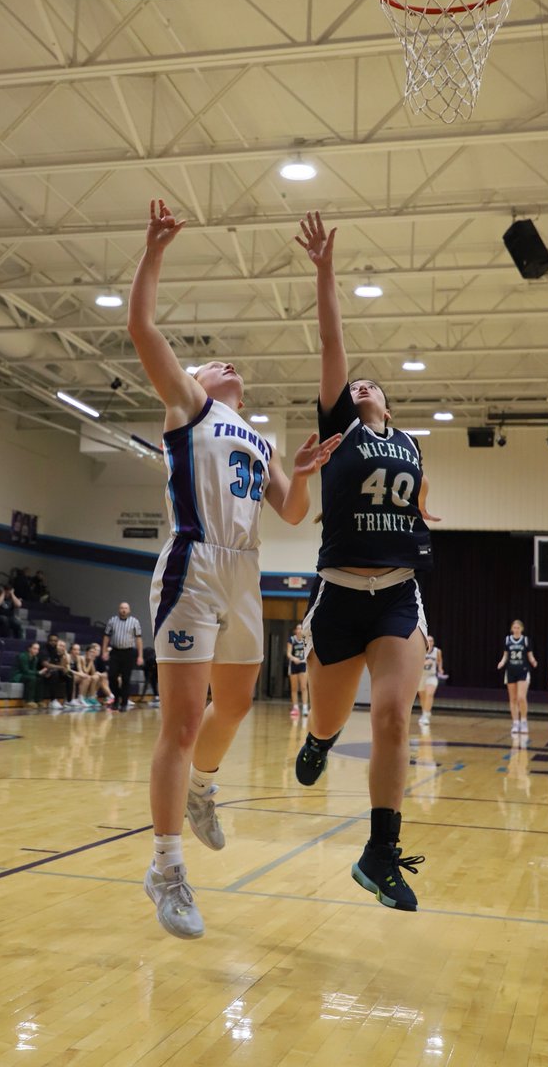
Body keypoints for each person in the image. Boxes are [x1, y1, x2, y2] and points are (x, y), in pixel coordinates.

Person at [128, 199, 341, 940]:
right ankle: (165, 868)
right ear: (194, 378)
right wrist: (154, 253)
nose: (225, 363)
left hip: (246, 571)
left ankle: (202, 790)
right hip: (192, 560)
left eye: (229, 364)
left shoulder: (257, 437)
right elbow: (141, 330)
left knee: (240, 703)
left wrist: (306, 471)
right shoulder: (187, 406)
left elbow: (289, 513)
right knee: (183, 720)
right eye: (211, 358)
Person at [293, 209, 438, 914]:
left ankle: (379, 853)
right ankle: (319, 741)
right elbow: (331, 341)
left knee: (391, 718)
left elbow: (412, 513)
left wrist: (425, 615)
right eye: (354, 385)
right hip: (339, 594)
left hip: (397, 597)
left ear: (389, 401)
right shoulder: (338, 431)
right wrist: (324, 269)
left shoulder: (409, 443)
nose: (360, 387)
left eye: (371, 385)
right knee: (328, 719)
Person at [497, 619, 537, 736]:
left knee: (521, 697)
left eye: (518, 628)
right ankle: (515, 722)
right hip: (510, 671)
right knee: (513, 699)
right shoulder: (507, 640)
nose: (516, 629)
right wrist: (501, 662)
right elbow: (505, 655)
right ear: (512, 629)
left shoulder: (525, 640)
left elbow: (530, 655)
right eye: (514, 628)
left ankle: (524, 721)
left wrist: (533, 661)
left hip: (523, 670)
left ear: (521, 629)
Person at [101, 602, 143, 712]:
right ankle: (116, 698)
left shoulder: (134, 622)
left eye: (126, 608)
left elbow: (138, 639)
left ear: (129, 610)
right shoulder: (112, 621)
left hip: (128, 653)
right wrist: (104, 651)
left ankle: (123, 703)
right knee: (111, 676)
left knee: (126, 679)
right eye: (122, 608)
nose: (123, 610)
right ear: (119, 609)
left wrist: (140, 655)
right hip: (115, 652)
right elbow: (106, 636)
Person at [417, 635, 445, 729]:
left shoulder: (437, 651)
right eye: (428, 640)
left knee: (429, 694)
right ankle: (425, 712)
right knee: (422, 697)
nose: (430, 642)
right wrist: (424, 663)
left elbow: (439, 661)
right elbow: (414, 663)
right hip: (420, 676)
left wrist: (440, 668)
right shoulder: (419, 650)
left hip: (431, 676)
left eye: (431, 641)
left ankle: (425, 716)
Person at [286, 623, 308, 717]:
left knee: (303, 687)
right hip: (294, 665)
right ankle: (295, 708)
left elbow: (309, 653)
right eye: (298, 629)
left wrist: (303, 659)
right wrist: (294, 659)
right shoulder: (291, 639)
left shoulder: (306, 639)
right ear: (295, 631)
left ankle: (305, 708)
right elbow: (288, 654)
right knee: (294, 688)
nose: (299, 630)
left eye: (301, 629)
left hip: (303, 665)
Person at [12, 640, 41, 706]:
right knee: (31, 678)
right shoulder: (23, 656)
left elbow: (33, 670)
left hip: (26, 675)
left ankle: (38, 700)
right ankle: (28, 701)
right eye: (34, 648)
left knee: (39, 679)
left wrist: (38, 673)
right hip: (18, 675)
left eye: (38, 649)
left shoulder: (35, 658)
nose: (36, 651)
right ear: (29, 648)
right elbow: (25, 670)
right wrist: (38, 672)